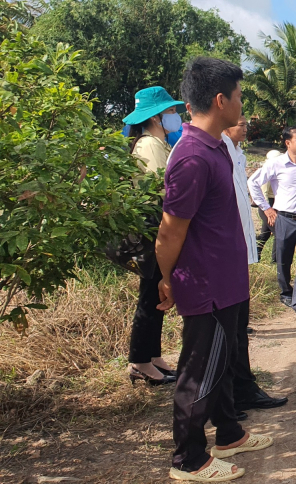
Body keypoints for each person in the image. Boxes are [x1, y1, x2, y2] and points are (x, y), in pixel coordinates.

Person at [156, 56, 272, 482]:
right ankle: (188, 459)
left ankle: (229, 433)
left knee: (223, 362)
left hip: (228, 279)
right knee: (199, 369)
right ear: (221, 100)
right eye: (239, 96)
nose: (243, 104)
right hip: (206, 285)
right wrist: (167, 278)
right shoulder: (191, 157)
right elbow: (170, 232)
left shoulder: (219, 146)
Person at [222, 115, 288, 421]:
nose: (246, 125)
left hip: (239, 252)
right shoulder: (213, 150)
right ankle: (225, 400)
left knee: (239, 328)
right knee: (226, 332)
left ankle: (243, 388)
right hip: (224, 254)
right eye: (240, 121)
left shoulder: (236, 152)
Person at [122, 86, 184, 386]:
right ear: (157, 117)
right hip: (153, 229)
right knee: (150, 296)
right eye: (171, 111)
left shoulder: (156, 143)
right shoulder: (150, 145)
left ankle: (153, 357)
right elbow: (164, 191)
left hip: (155, 228)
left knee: (156, 294)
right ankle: (139, 361)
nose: (175, 116)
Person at [248, 127, 296, 318]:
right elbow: (253, 182)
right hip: (284, 219)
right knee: (283, 259)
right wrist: (266, 208)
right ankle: (286, 292)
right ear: (288, 143)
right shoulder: (275, 164)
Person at [254, 151, 279, 263]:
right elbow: (264, 193)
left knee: (265, 233)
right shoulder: (267, 171)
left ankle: (255, 255)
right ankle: (276, 261)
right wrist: (268, 210)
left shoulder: (275, 170)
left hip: (273, 204)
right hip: (267, 205)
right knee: (278, 232)